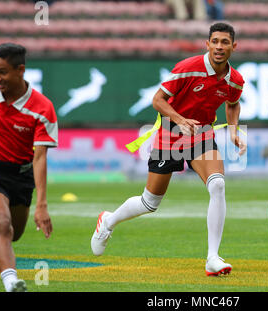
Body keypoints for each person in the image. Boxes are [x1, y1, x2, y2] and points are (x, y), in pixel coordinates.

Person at [91, 22, 245, 276]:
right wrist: (180, 120)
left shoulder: (235, 80)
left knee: (217, 185)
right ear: (207, 44)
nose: (219, 47)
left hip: (202, 132)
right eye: (215, 41)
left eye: (224, 42)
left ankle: (212, 258)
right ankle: (108, 221)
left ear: (233, 46)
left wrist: (233, 129)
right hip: (171, 133)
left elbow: (233, 103)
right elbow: (157, 100)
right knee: (150, 202)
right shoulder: (186, 68)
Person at [0, 43, 58, 291]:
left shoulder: (42, 108)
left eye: (3, 72)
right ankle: (11, 283)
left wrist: (42, 205)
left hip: (22, 176)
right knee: (1, 222)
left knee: (14, 234)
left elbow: (39, 158)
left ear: (21, 70)